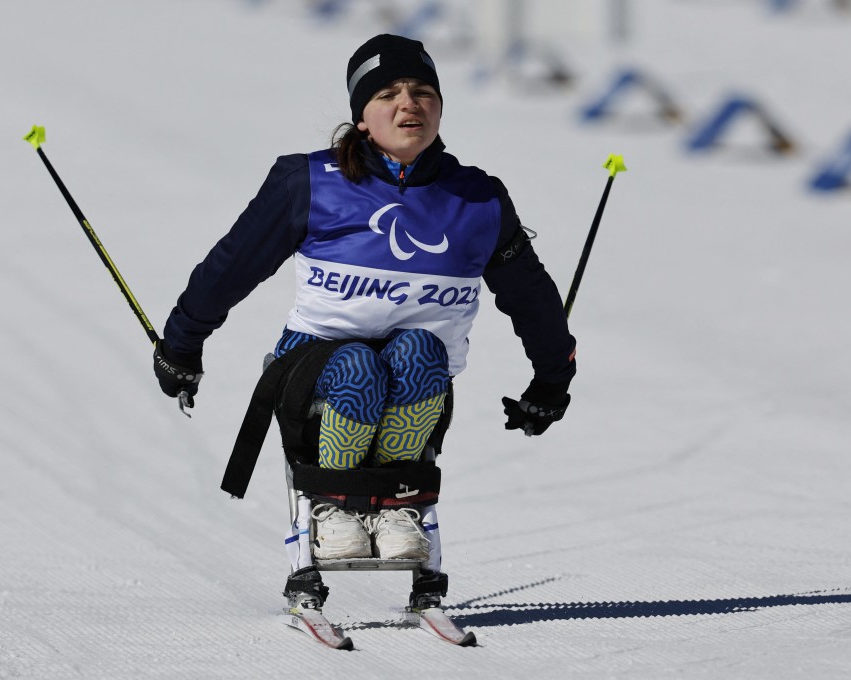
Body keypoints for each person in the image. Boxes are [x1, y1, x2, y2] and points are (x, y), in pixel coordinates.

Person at [153, 34, 576, 570]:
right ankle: (335, 505)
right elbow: (230, 267)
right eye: (388, 94)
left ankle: (398, 502)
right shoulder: (310, 181)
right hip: (314, 375)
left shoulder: (478, 199)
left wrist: (551, 379)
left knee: (422, 351)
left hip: (417, 387)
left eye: (422, 91)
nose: (408, 104)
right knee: (357, 362)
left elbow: (530, 294)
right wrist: (181, 346)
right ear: (361, 117)